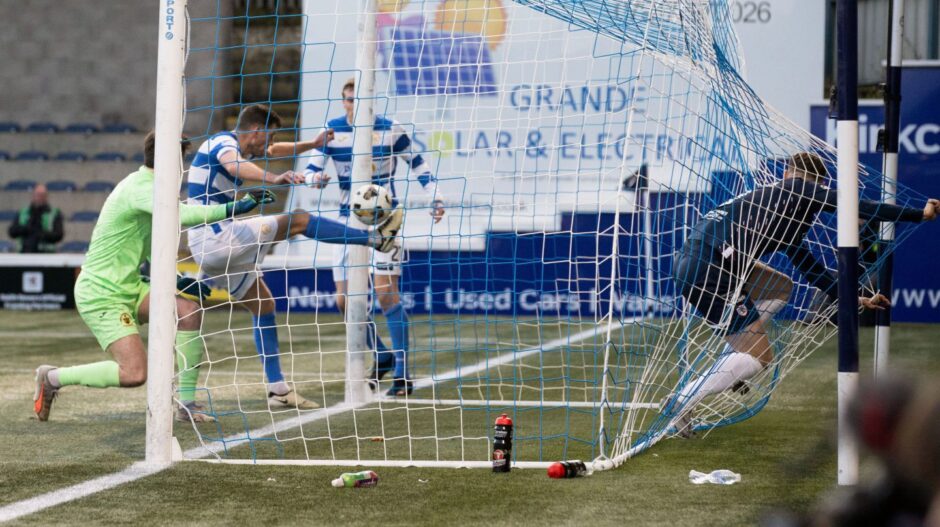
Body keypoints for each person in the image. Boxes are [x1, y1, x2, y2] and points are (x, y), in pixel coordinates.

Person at [665, 151, 939, 436]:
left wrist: (855, 297)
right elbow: (861, 207)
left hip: (694, 260)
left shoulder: (779, 211)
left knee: (782, 286)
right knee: (760, 358)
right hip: (714, 268)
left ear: (786, 172)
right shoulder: (801, 190)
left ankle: (732, 358)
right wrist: (919, 213)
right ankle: (684, 401)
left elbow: (812, 270)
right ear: (817, 184)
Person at [33, 132, 276, 423]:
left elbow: (148, 245)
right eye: (182, 158)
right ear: (171, 159)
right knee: (134, 374)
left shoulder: (152, 189)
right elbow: (181, 215)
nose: (183, 166)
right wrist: (233, 208)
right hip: (100, 293)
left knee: (188, 311)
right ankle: (53, 377)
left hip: (130, 286)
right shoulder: (141, 188)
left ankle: (186, 404)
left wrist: (174, 279)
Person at [186, 104, 402, 409]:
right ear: (256, 130)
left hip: (209, 246)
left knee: (263, 305)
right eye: (267, 136)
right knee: (299, 219)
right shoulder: (224, 143)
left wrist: (311, 145)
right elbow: (234, 166)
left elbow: (274, 150)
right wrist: (273, 179)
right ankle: (375, 238)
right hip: (217, 237)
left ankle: (278, 390)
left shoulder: (239, 144)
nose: (267, 145)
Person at [267, 78, 445, 396]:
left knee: (385, 293)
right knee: (343, 301)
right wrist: (315, 179)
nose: (353, 105)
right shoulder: (333, 131)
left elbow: (418, 163)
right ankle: (383, 353)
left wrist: (435, 196)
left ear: (370, 102)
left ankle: (402, 373)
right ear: (343, 102)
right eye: (349, 100)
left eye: (359, 100)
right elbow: (310, 170)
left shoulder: (391, 129)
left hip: (386, 219)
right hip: (347, 220)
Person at [8, 183, 64, 253]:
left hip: (47, 254)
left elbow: (59, 234)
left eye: (42, 195)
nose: (40, 197)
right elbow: (12, 232)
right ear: (33, 195)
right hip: (24, 251)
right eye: (38, 194)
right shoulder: (23, 212)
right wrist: (26, 229)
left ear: (46, 197)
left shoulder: (54, 213)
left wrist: (42, 234)